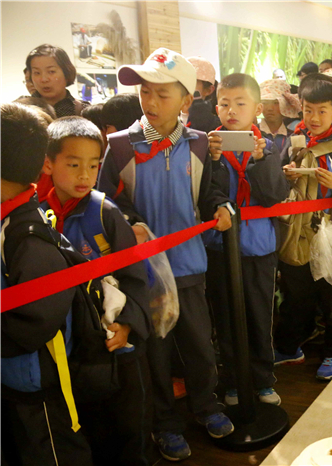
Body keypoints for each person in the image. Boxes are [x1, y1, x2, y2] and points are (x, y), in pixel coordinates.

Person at [97, 48, 234, 462]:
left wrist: (221, 207)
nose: (150, 102)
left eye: (162, 94)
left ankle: (206, 406)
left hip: (190, 267)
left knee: (199, 346)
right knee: (155, 354)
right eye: (145, 92)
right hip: (144, 275)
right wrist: (130, 222)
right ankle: (165, 423)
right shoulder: (119, 147)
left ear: (186, 100)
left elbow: (209, 192)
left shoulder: (198, 145)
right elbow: (105, 204)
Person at [40, 116, 153, 466]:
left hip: (115, 341)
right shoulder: (38, 214)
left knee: (128, 423)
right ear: (48, 163)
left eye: (93, 165)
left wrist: (128, 324)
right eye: (74, 165)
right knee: (88, 423)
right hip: (71, 345)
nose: (85, 176)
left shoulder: (105, 212)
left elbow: (135, 276)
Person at [1, 103, 93, 465]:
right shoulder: (13, 221)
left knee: (52, 452)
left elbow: (37, 319)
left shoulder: (28, 236)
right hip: (15, 375)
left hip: (36, 378)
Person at [275, 80, 332, 380]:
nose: (314, 118)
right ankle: (291, 347)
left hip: (330, 228)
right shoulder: (295, 140)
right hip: (296, 228)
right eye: (308, 110)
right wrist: (286, 175)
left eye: (322, 111)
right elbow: (278, 180)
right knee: (296, 292)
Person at [206, 73, 289, 407]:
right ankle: (232, 379)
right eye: (224, 104)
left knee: (259, 314)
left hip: (259, 246)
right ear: (216, 107)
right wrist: (213, 162)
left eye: (240, 104)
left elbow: (274, 196)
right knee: (225, 317)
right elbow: (204, 196)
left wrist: (259, 160)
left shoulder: (268, 147)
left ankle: (263, 378)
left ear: (257, 109)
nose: (231, 111)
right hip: (219, 246)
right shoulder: (207, 147)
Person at [26, 44, 89, 117]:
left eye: (51, 71)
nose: (44, 79)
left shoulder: (84, 111)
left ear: (67, 72)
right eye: (37, 73)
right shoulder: (19, 111)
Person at [258, 78, 302, 152]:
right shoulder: (252, 133)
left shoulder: (294, 135)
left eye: (276, 103)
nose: (270, 108)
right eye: (265, 103)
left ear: (285, 105)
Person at [184, 56, 220, 133]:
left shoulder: (216, 126)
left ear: (209, 90)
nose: (183, 88)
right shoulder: (166, 117)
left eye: (190, 83)